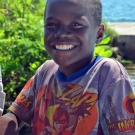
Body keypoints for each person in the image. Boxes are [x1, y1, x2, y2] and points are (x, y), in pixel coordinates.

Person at [0, 0, 135, 135]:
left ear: (98, 33)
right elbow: (16, 115)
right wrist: (8, 121)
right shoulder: (45, 72)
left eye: (76, 24)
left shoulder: (107, 73)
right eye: (52, 24)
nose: (61, 33)